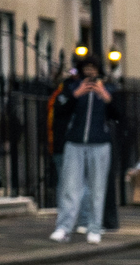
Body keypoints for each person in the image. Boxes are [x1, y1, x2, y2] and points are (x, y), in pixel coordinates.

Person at [50, 59, 118, 244]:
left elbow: (119, 114)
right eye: (87, 69)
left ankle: (94, 228)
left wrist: (105, 96)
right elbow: (60, 110)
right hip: (75, 142)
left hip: (100, 143)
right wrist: (76, 95)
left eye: (94, 69)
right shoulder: (71, 87)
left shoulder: (109, 88)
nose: (90, 73)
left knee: (97, 188)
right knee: (70, 187)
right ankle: (64, 228)